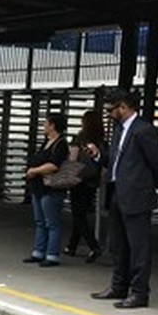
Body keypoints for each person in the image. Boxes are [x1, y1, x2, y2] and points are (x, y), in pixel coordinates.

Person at [85, 89, 158, 309]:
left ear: (124, 107)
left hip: (137, 194)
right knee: (118, 244)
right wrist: (99, 156)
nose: (109, 114)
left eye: (112, 109)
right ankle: (119, 285)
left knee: (139, 246)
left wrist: (145, 185)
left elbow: (157, 164)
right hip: (118, 192)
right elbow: (115, 160)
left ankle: (139, 293)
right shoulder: (120, 130)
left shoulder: (144, 130)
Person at [21, 114, 69, 267]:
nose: (44, 126)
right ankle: (38, 252)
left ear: (53, 125)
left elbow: (55, 165)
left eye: (45, 123)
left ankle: (52, 255)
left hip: (52, 189)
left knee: (51, 223)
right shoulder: (47, 142)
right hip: (39, 188)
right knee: (40, 221)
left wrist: (35, 170)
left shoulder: (61, 144)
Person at [64, 110, 106, 263]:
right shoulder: (101, 139)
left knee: (78, 215)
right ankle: (72, 246)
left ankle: (94, 247)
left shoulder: (80, 137)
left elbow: (73, 159)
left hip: (79, 180)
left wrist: (67, 176)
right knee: (81, 213)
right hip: (92, 180)